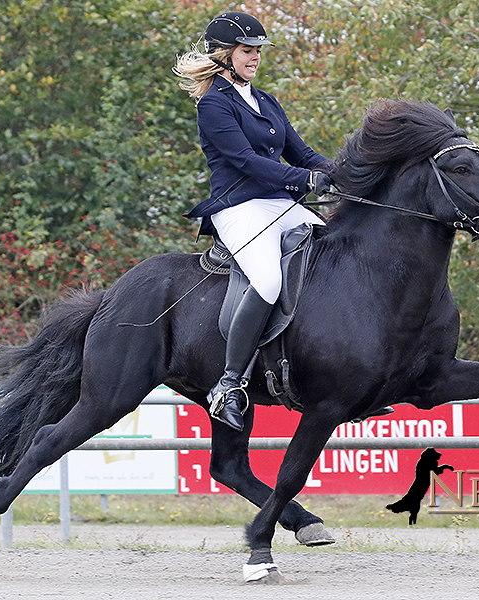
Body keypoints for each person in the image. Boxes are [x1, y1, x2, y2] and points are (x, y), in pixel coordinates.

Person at [174, 10, 333, 431]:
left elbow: (301, 153)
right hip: (239, 206)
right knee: (267, 280)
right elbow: (245, 161)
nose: (256, 58)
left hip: (281, 203)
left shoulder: (264, 101)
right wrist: (307, 179)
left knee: (337, 257)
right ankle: (228, 384)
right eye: (248, 51)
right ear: (225, 55)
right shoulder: (213, 105)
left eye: (258, 51)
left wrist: (343, 173)